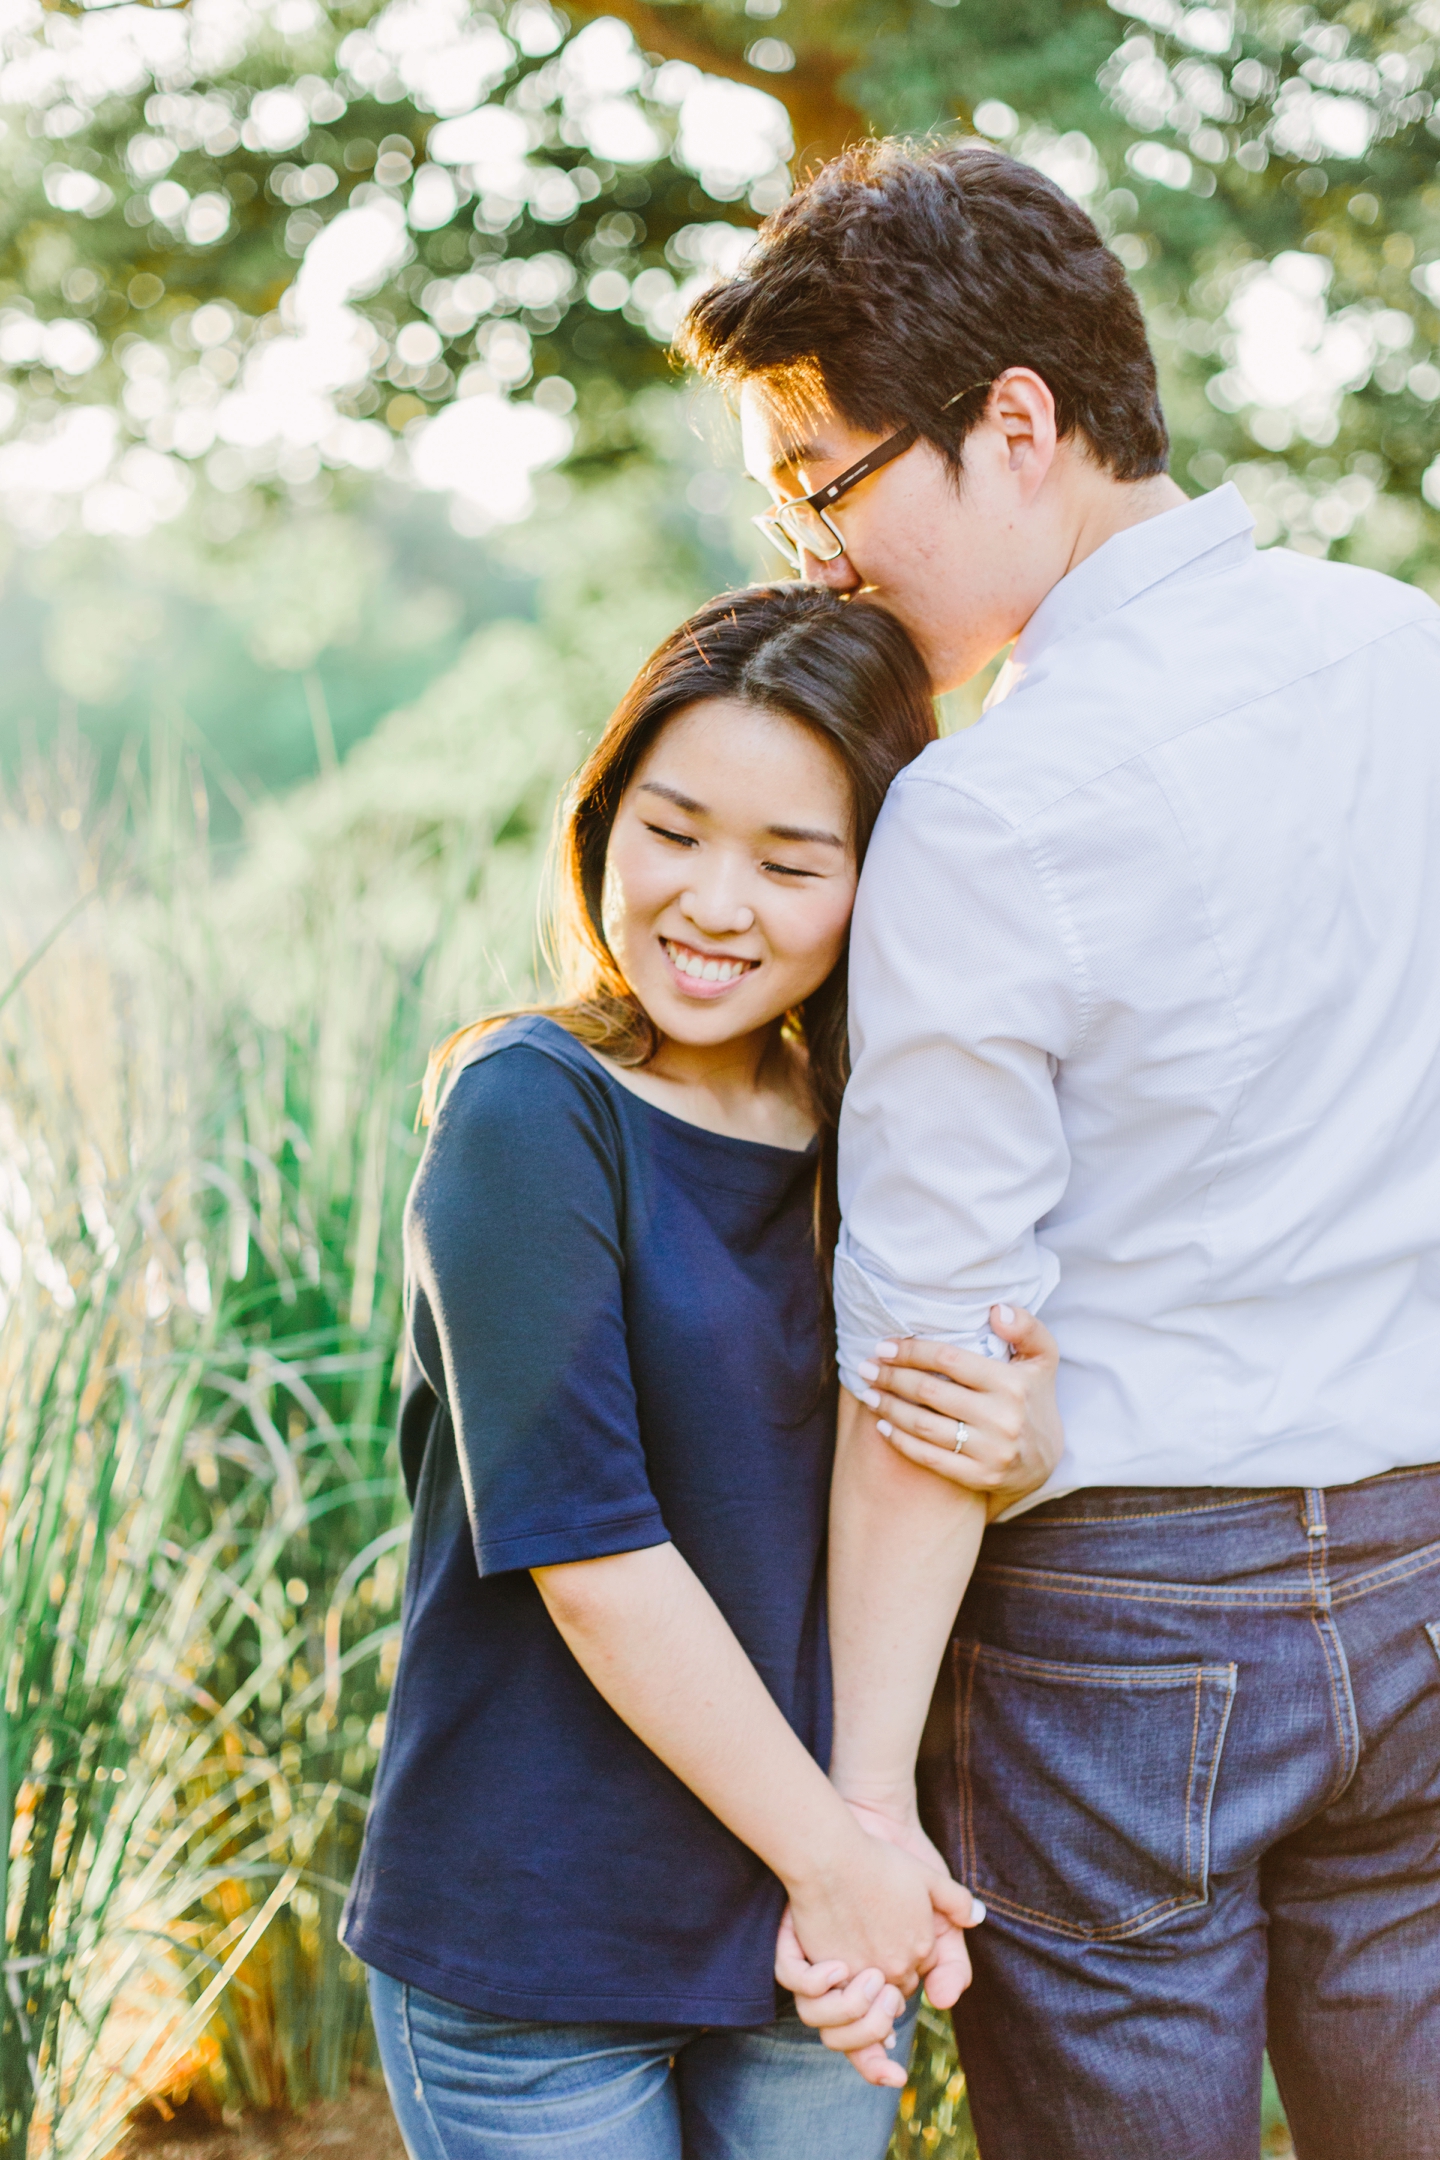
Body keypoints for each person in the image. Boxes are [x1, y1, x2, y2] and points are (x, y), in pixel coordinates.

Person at [681, 139, 1440, 2160]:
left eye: (827, 479)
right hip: (1423, 1551)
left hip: (1131, 1622)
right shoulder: (1409, 657)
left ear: (1015, 424)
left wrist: (854, 1803)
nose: (811, 548)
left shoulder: (996, 808)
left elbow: (930, 1361)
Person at [341, 583, 1062, 2160]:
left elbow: (903, 1467)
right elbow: (592, 1552)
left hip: (805, 1941)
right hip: (543, 1934)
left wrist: (1021, 1443)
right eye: (672, 832)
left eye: (791, 864)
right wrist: (846, 1863)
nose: (711, 903)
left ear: (882, 885)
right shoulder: (531, 1113)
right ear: (603, 821)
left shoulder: (880, 1140)